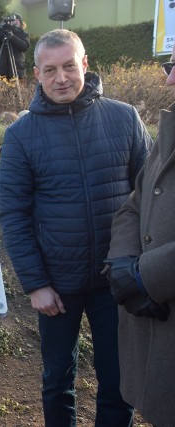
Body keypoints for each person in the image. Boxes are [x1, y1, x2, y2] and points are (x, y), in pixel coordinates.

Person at [0, 29, 151, 426]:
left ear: (85, 64)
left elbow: (149, 195)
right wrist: (35, 284)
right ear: (36, 74)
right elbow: (13, 215)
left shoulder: (124, 118)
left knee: (119, 381)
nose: (61, 78)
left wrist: (140, 267)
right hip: (56, 283)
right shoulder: (20, 136)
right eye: (50, 70)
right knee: (57, 380)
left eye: (69, 66)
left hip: (117, 277)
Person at [104, 48, 175, 426]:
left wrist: (146, 275)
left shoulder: (123, 117)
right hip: (154, 330)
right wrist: (122, 262)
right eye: (171, 66)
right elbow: (135, 201)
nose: (169, 79)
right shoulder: (170, 131)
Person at [0, 13, 30, 79]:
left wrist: (12, 37)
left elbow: (24, 46)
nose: (15, 21)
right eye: (14, 20)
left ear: (21, 23)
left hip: (17, 69)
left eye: (17, 20)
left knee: (15, 89)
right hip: (2, 70)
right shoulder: (3, 34)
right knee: (0, 89)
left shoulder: (24, 34)